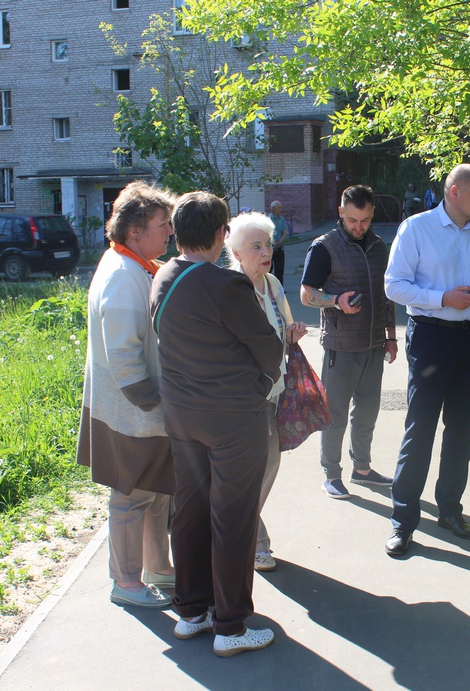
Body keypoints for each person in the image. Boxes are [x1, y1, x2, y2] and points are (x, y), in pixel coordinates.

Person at [150, 192, 284, 657]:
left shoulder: (164, 275)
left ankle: (192, 613)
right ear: (221, 234)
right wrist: (259, 384)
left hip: (182, 416)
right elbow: (268, 346)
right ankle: (231, 626)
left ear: (178, 232)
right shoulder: (226, 285)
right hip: (232, 420)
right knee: (233, 518)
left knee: (189, 511)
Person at [383, 164, 470, 557]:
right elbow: (393, 285)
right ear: (454, 192)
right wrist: (442, 298)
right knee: (419, 428)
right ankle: (403, 521)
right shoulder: (416, 228)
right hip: (431, 338)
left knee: (461, 430)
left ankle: (450, 511)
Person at [77, 180, 176, 608]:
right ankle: (126, 582)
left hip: (142, 408)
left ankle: (158, 568)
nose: (169, 232)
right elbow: (123, 353)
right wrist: (152, 401)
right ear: (135, 230)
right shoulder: (121, 274)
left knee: (156, 491)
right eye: (162, 225)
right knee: (132, 495)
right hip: (131, 410)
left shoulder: (135, 265)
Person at [301, 185, 398, 499]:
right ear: (341, 213)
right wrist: (334, 300)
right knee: (335, 414)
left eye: (365, 220)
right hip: (340, 347)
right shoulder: (324, 247)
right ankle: (331, 473)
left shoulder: (379, 246)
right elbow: (306, 295)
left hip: (372, 344)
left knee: (367, 412)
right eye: (353, 219)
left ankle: (363, 469)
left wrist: (391, 337)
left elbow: (387, 296)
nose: (359, 226)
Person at [226, 212, 308, 571]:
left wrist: (292, 334)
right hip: (241, 397)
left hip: (273, 390)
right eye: (255, 246)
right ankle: (251, 540)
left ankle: (239, 531)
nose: (265, 251)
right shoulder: (228, 286)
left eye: (268, 244)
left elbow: (284, 325)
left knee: (268, 466)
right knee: (249, 471)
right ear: (236, 251)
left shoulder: (272, 283)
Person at [267, 201, 290, 287]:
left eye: (281, 207)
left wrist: (280, 241)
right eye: (279, 207)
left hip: (280, 248)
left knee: (280, 270)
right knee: (269, 270)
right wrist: (273, 242)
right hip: (270, 248)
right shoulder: (268, 219)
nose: (281, 209)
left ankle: (280, 289)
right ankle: (268, 288)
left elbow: (285, 232)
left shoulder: (281, 219)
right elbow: (266, 233)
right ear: (273, 209)